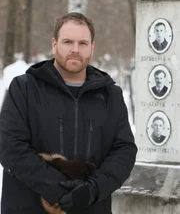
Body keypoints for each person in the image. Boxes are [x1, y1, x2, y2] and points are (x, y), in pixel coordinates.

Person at [0, 12, 137, 214]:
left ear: (92, 47)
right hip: (29, 206)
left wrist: (91, 190)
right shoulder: (25, 88)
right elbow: (10, 147)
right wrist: (58, 189)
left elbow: (124, 150)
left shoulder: (110, 95)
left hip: (91, 207)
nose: (75, 49)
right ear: (54, 44)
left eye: (83, 43)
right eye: (67, 42)